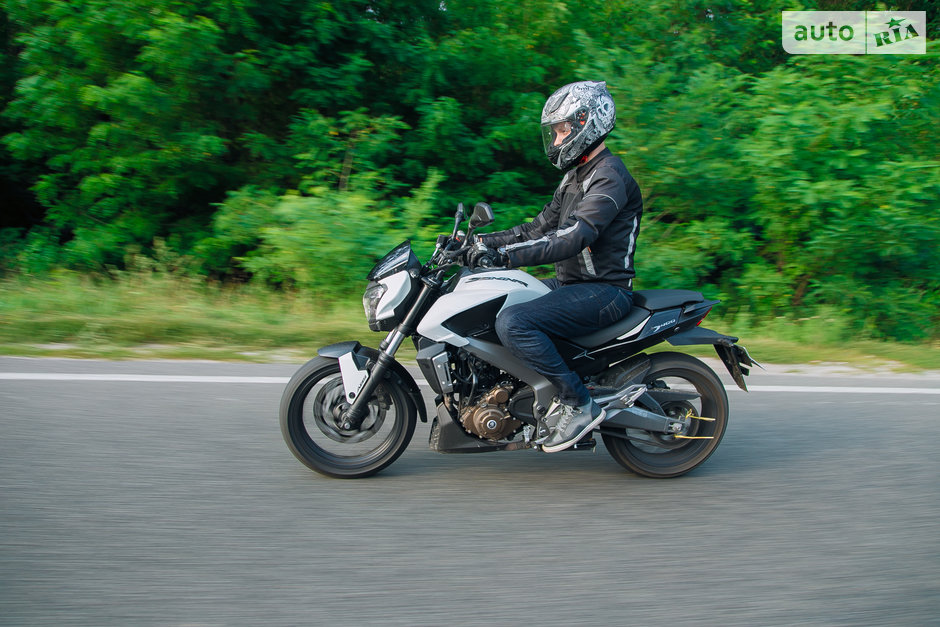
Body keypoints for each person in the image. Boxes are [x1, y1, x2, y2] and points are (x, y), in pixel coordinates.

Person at [471, 80, 643, 453]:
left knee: (514, 322)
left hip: (604, 291)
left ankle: (577, 403)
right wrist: (480, 243)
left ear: (588, 123)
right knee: (496, 299)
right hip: (572, 285)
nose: (558, 138)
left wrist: (507, 256)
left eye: (563, 128)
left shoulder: (609, 176)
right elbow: (536, 229)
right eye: (556, 131)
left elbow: (574, 237)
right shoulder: (575, 176)